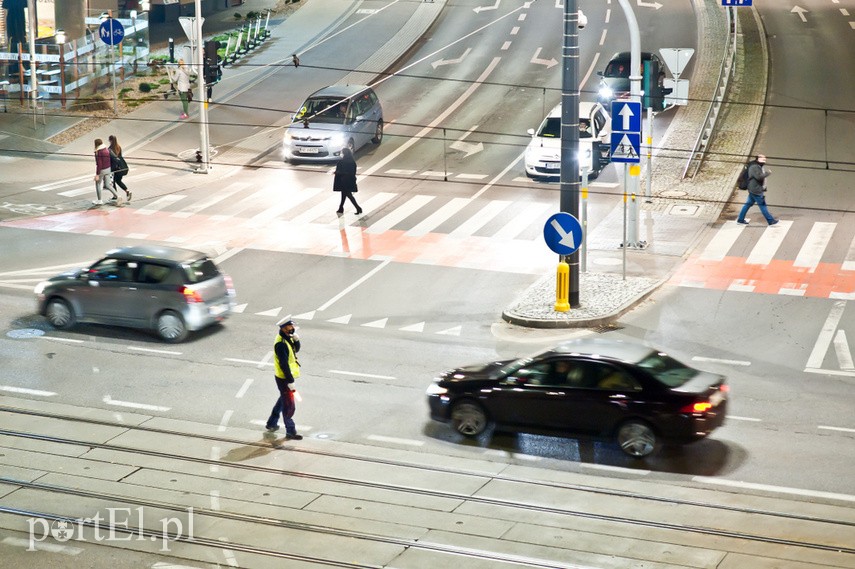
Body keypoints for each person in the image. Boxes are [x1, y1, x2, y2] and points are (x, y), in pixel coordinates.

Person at [265, 316, 303, 440]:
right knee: (289, 405)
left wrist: (296, 340)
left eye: (292, 325)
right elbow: (284, 364)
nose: (293, 328)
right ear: (284, 328)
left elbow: (295, 350)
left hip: (286, 377)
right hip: (284, 378)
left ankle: (271, 423)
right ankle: (290, 431)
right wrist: (290, 381)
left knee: (283, 399)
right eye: (290, 326)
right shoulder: (281, 344)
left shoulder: (287, 338)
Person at [737, 154, 778, 226]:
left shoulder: (757, 166)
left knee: (747, 204)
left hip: (753, 189)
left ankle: (740, 219)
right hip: (756, 190)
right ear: (757, 159)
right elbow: (759, 177)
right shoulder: (754, 167)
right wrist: (767, 173)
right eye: (763, 159)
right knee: (762, 206)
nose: (764, 161)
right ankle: (770, 221)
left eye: (765, 159)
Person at [333, 147, 362, 215]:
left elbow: (340, 171)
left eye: (342, 153)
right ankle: (341, 208)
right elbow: (353, 171)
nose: (341, 154)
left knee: (348, 195)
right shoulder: (352, 161)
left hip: (343, 181)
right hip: (350, 181)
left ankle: (357, 207)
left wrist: (337, 172)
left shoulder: (342, 162)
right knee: (345, 194)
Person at [93, 138, 119, 205]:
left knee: (97, 184)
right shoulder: (106, 149)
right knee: (108, 185)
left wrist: (97, 174)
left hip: (102, 170)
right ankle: (118, 196)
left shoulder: (99, 151)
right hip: (108, 168)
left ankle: (99, 200)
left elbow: (99, 164)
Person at [108, 135, 131, 202]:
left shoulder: (110, 149)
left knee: (113, 182)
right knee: (118, 181)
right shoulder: (118, 147)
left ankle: (115, 196)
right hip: (121, 166)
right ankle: (127, 191)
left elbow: (111, 159)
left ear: (110, 140)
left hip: (115, 168)